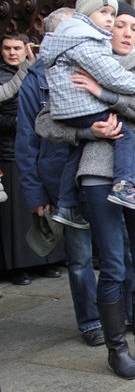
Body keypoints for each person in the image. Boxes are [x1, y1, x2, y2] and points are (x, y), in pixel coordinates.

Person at [36, 2, 135, 380]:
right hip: (96, 172)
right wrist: (84, 131)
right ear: (103, 29)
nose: (126, 32)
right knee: (111, 266)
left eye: (132, 27)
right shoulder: (80, 58)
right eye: (119, 25)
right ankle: (117, 350)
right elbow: (45, 122)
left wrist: (105, 94)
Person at [15, 7, 104, 346]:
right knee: (80, 258)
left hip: (100, 169)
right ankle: (91, 321)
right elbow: (26, 142)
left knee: (118, 249)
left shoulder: (94, 63)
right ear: (54, 38)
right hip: (62, 183)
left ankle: (126, 312)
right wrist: (35, 195)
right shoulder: (33, 81)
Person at [40, 0, 135, 229]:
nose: (110, 20)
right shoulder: (85, 38)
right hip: (81, 105)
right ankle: (124, 184)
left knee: (77, 151)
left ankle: (67, 206)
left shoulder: (68, 37)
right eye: (104, 12)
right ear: (86, 13)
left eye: (112, 14)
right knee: (123, 134)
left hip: (68, 110)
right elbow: (109, 73)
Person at [0, 30, 65, 286]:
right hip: (8, 152)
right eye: (8, 48)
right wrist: (23, 122)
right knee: (16, 216)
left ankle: (48, 260)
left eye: (17, 48)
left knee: (44, 207)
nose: (13, 53)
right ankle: (19, 267)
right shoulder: (6, 76)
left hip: (41, 147)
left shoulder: (41, 72)